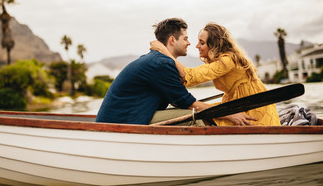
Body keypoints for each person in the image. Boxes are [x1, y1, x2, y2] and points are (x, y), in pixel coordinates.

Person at [96, 18, 255, 125]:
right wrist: (230, 115)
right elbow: (191, 104)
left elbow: (178, 100)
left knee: (196, 113)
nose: (189, 43)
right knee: (196, 118)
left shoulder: (158, 60)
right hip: (124, 123)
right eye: (185, 38)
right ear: (172, 40)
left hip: (125, 119)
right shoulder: (161, 64)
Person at [150, 22, 281, 126]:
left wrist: (164, 52)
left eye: (202, 42)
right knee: (201, 113)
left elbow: (193, 75)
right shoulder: (217, 62)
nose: (196, 46)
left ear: (214, 45)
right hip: (234, 102)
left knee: (204, 116)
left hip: (252, 105)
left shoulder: (227, 60)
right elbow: (190, 79)